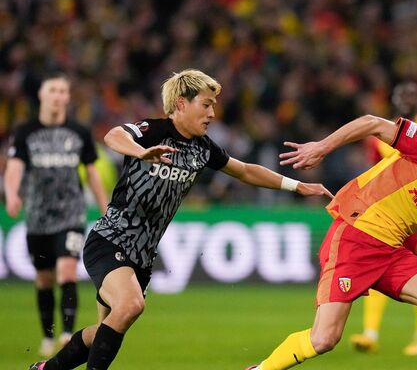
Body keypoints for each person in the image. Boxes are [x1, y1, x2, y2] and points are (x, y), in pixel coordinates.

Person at [27, 69, 333, 370]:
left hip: (142, 256)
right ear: (182, 103)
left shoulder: (203, 148)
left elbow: (243, 170)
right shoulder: (153, 130)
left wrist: (296, 186)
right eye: (206, 104)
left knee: (104, 331)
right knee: (130, 305)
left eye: (213, 105)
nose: (212, 113)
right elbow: (113, 135)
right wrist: (141, 152)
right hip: (109, 240)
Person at [246, 114, 417, 370]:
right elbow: (373, 123)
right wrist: (322, 147)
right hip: (356, 236)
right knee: (324, 339)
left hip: (392, 253)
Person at [5, 73, 109, 358]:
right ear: (41, 94)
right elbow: (14, 167)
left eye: (63, 91)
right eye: (53, 90)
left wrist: (105, 207)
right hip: (38, 218)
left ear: (67, 97)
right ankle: (48, 336)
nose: (58, 96)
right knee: (44, 279)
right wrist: (11, 194)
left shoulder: (79, 132)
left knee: (67, 270)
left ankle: (66, 335)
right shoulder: (25, 132)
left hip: (71, 215)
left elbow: (91, 172)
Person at [352, 81, 417, 356]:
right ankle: (370, 333)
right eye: (402, 95)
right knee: (378, 266)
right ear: (394, 100)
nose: (406, 100)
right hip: (392, 213)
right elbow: (376, 171)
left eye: (412, 96)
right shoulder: (382, 132)